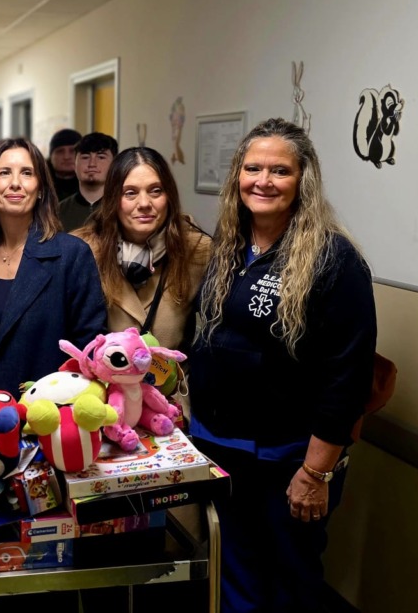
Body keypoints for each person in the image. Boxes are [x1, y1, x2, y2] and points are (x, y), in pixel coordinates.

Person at [188, 118, 377, 612]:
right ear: (237, 176)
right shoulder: (229, 246)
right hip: (224, 450)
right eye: (252, 168)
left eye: (280, 171)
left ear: (303, 182)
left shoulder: (333, 259)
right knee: (235, 569)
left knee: (290, 578)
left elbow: (347, 375)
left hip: (288, 459)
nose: (263, 181)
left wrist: (316, 473)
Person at [0, 139, 107, 397]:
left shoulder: (71, 255)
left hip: (45, 408)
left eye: (27, 173)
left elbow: (90, 347)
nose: (15, 182)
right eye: (4, 173)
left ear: (40, 189)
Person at [72, 145, 210, 380]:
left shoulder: (197, 251)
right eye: (130, 193)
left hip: (168, 403)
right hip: (103, 402)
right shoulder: (82, 250)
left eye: (155, 191)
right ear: (113, 198)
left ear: (169, 196)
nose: (144, 203)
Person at [57, 132, 117, 231]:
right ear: (74, 165)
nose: (92, 164)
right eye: (85, 157)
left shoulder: (123, 209)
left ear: (114, 164)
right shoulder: (57, 213)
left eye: (101, 157)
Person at [47, 128, 82, 202]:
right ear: (51, 157)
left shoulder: (95, 186)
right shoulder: (39, 185)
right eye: (60, 151)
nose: (66, 157)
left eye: (72, 151)